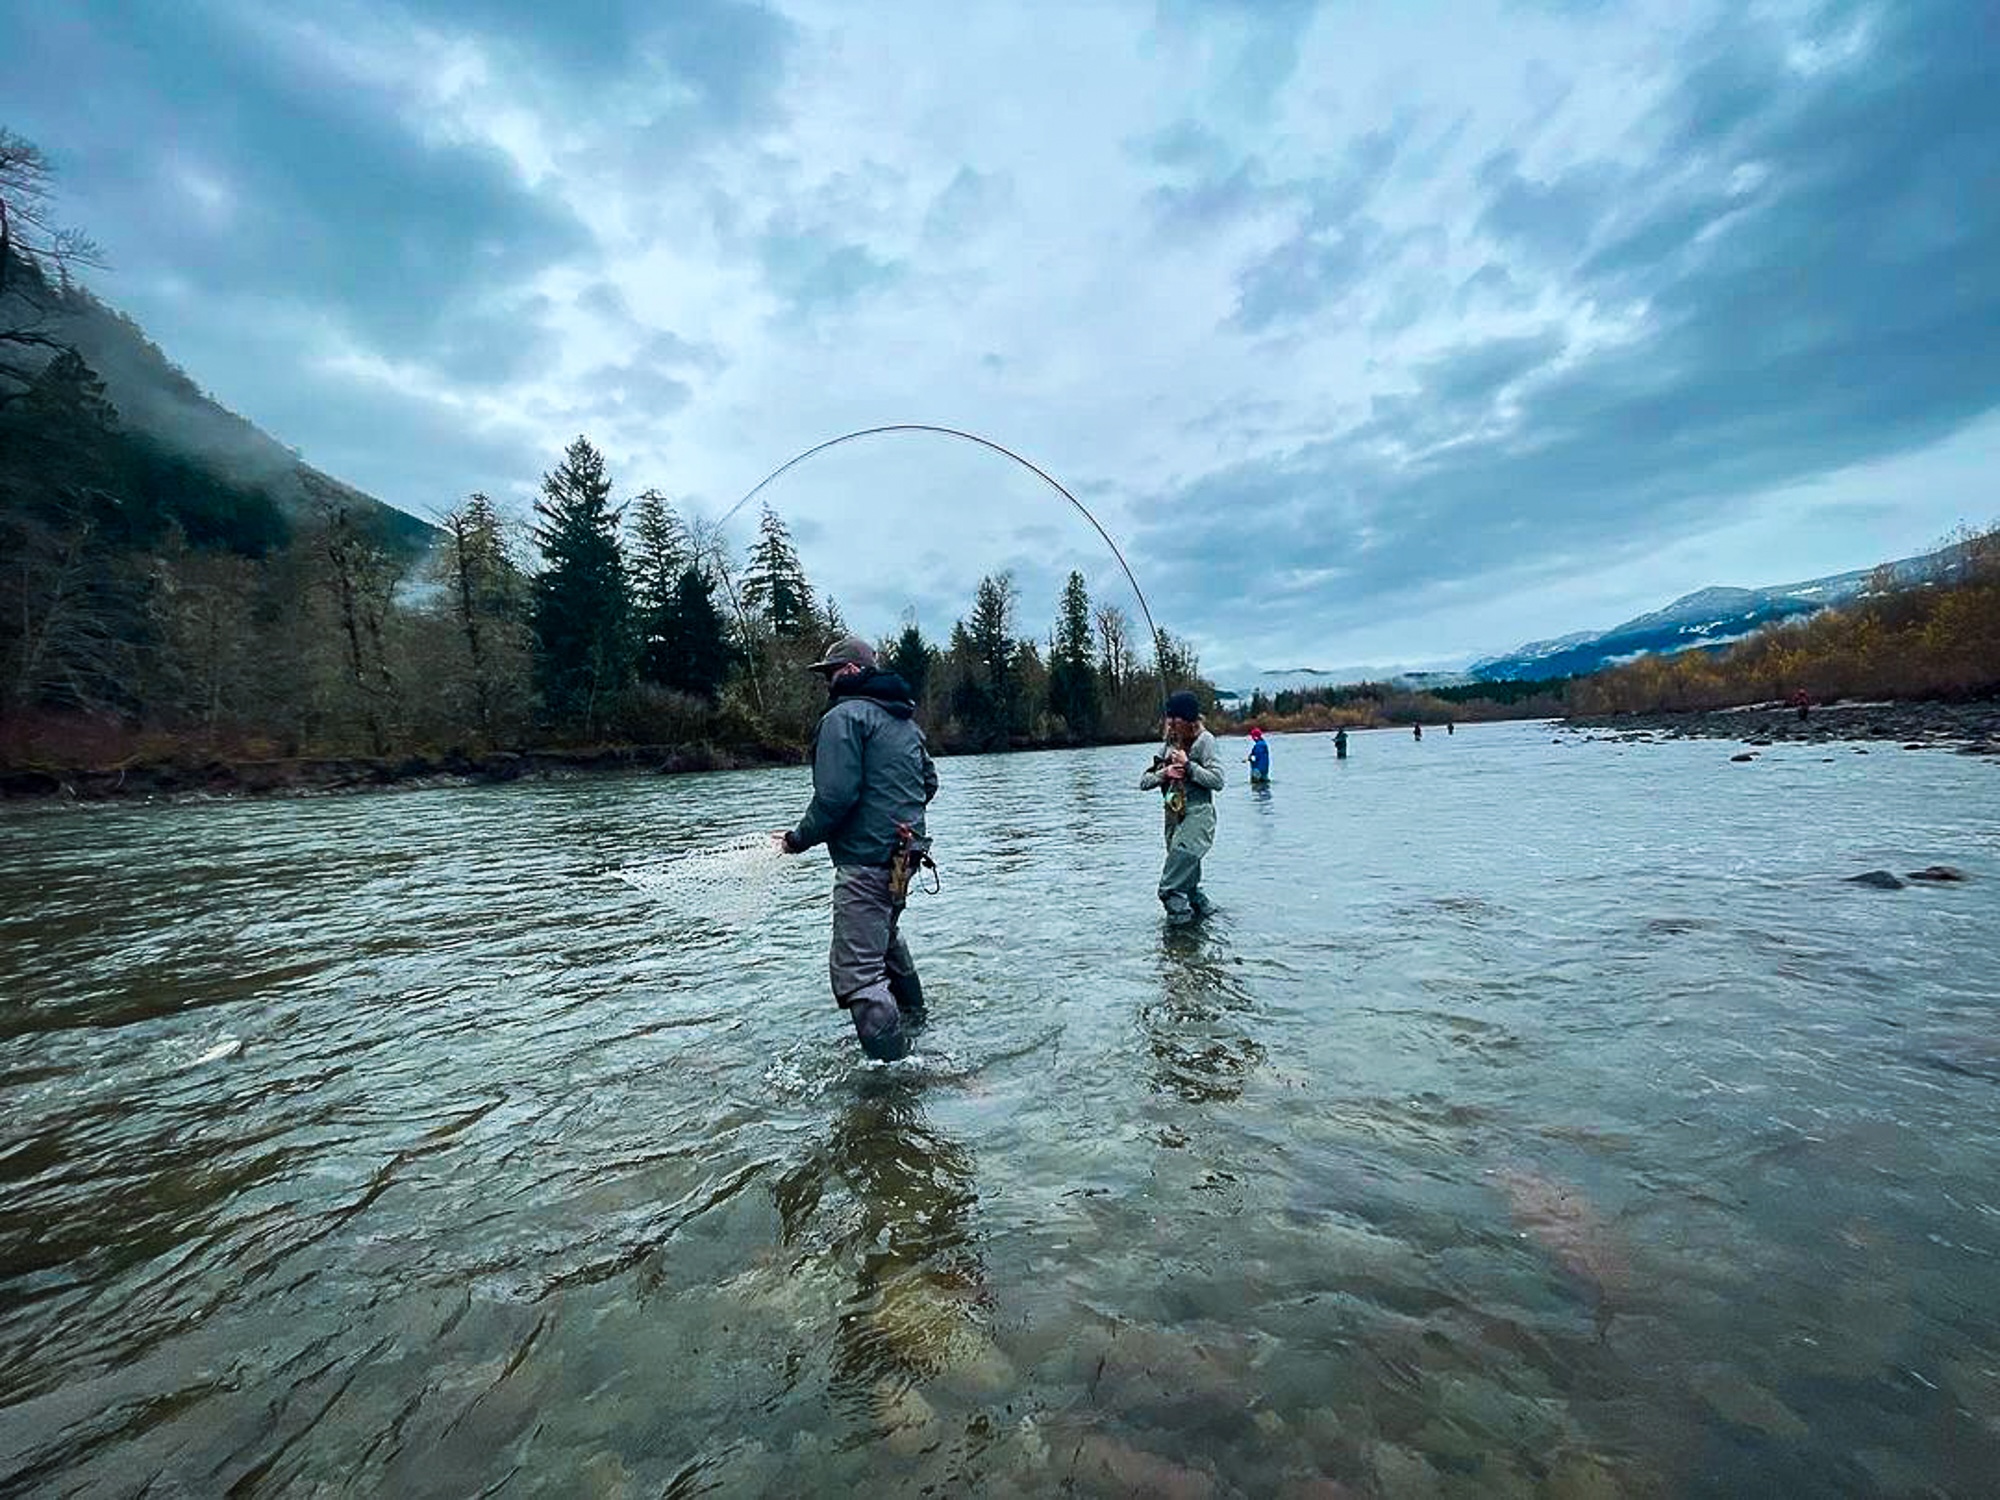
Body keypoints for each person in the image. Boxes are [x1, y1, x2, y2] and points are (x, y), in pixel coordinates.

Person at [777, 633, 938, 1062]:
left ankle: (896, 1076)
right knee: (886, 942)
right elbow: (929, 784)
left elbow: (835, 798)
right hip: (906, 859)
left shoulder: (843, 719)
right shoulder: (905, 720)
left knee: (859, 975)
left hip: (866, 864)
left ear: (849, 671)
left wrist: (797, 840)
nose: (826, 683)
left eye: (829, 674)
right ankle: (917, 1024)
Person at [1140, 690, 1225, 924]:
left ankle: (1180, 947)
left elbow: (1217, 781)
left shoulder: (1206, 741)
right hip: (1173, 818)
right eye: (1169, 718)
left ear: (1187, 719)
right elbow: (1143, 782)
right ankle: (1204, 929)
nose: (1169, 723)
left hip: (1198, 817)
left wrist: (1189, 767)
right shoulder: (1167, 745)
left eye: (1174, 718)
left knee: (1170, 889)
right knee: (1189, 888)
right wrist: (1165, 772)